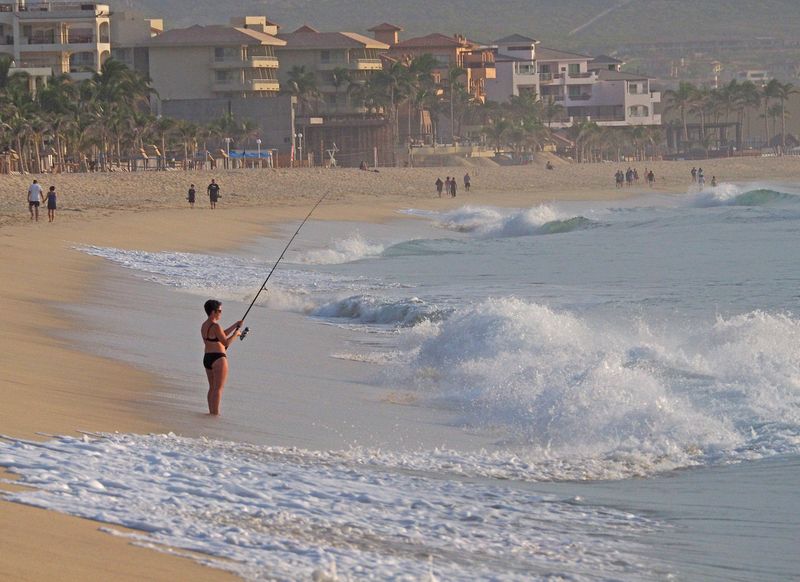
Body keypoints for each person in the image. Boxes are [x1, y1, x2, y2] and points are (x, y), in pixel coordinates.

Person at [201, 299, 243, 416]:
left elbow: (220, 334)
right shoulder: (215, 326)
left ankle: (211, 412)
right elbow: (226, 342)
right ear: (213, 312)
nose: (221, 313)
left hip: (207, 358)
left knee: (212, 388)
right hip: (218, 359)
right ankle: (215, 414)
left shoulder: (205, 325)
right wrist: (236, 334)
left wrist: (235, 325)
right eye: (219, 311)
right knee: (218, 389)